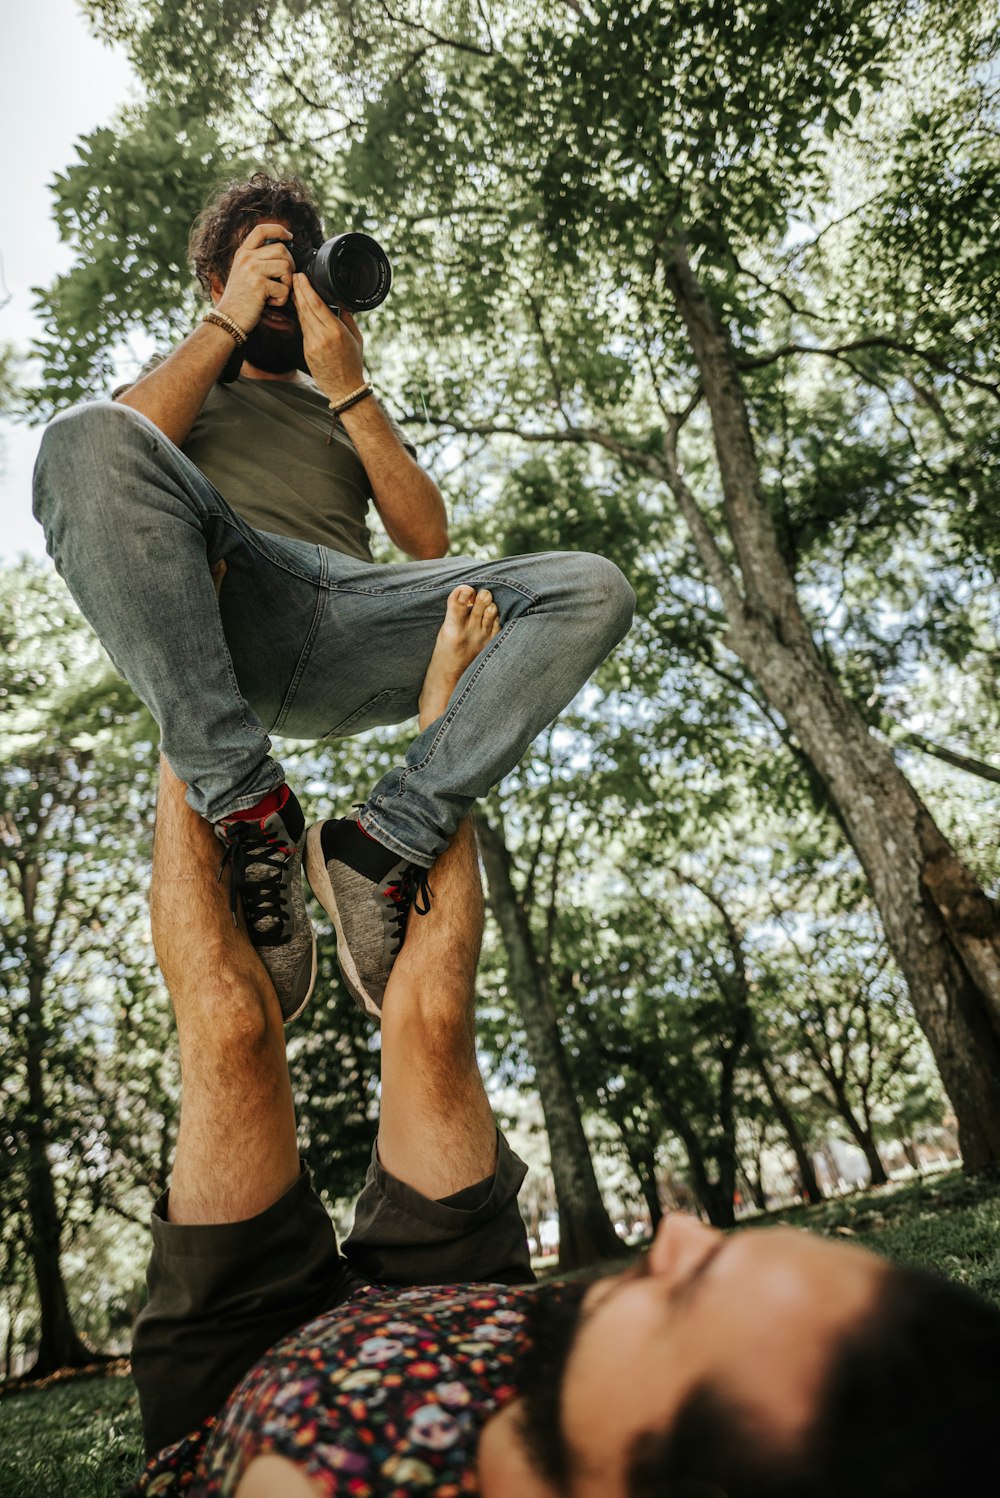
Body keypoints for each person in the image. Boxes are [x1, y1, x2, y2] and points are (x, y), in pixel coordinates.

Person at [127, 602, 1000, 1498]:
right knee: (429, 1024)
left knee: (231, 1030)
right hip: (468, 1300)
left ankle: (187, 665)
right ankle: (444, 726)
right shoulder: (590, 1373)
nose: (680, 1236)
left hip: (233, 1360)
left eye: (687, 1295)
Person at [32, 172, 635, 1024]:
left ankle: (381, 839)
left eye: (295, 262)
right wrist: (225, 323)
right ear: (219, 279)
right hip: (235, 605)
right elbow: (100, 466)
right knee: (79, 435)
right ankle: (250, 805)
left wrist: (348, 385)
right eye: (262, 261)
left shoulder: (344, 400)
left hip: (361, 615)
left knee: (590, 588)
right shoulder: (185, 382)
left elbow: (427, 541)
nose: (284, 284)